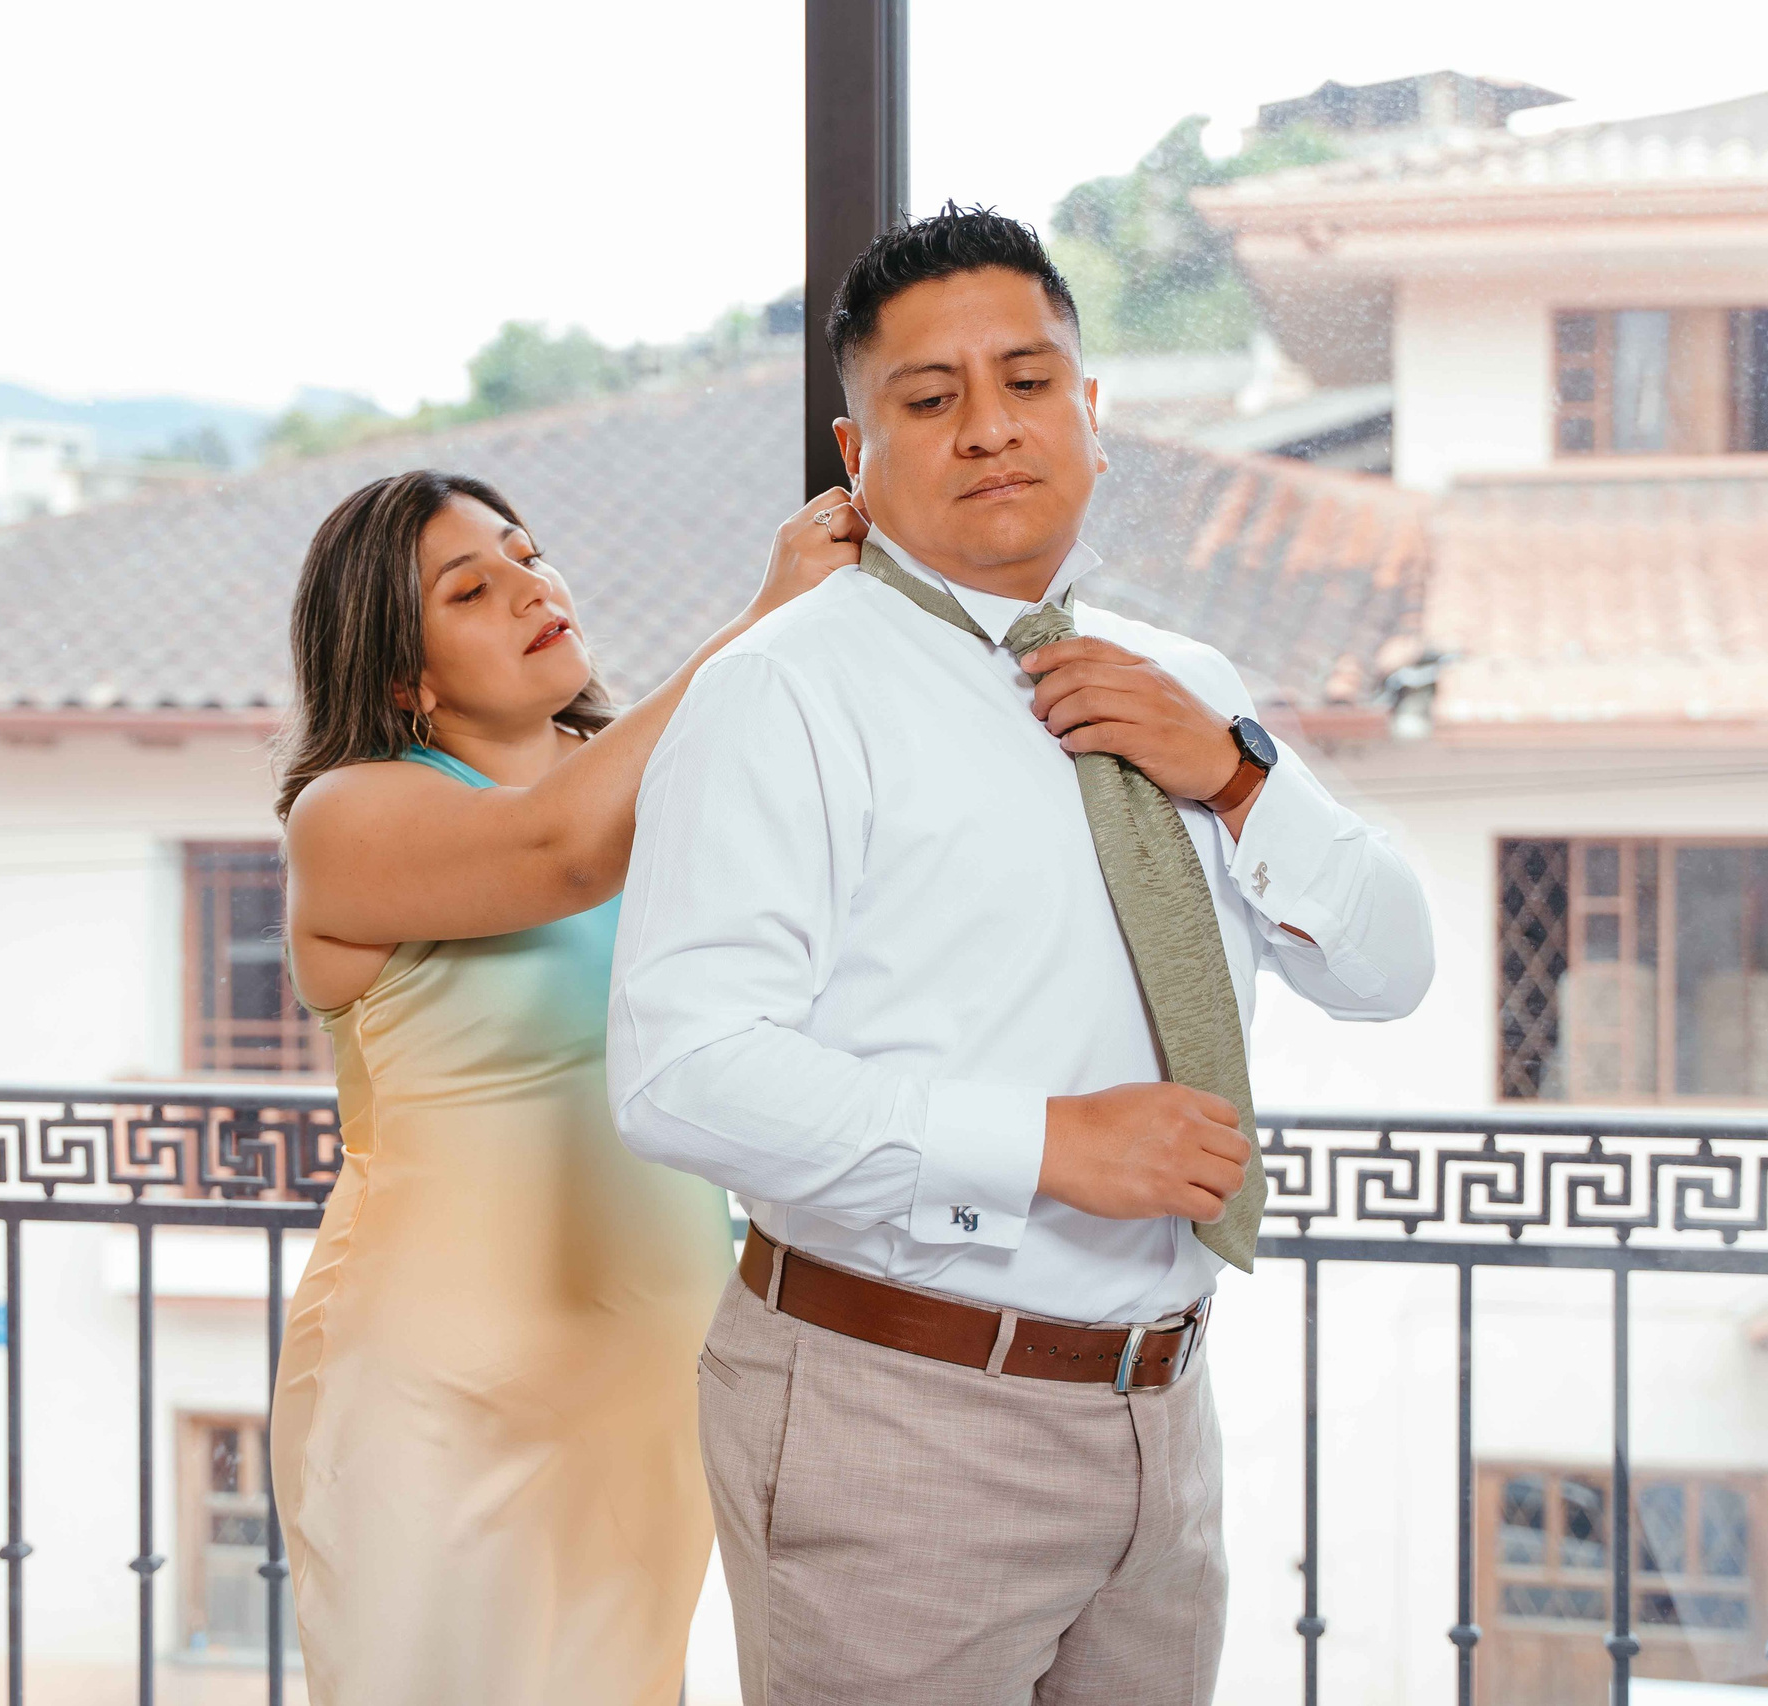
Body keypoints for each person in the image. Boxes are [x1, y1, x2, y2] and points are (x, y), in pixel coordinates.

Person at [608, 206, 1436, 1702]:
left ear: (1092, 412)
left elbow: (1389, 966)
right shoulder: (780, 693)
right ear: (857, 455)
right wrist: (1050, 1144)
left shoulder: (1183, 681)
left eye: (1030, 380)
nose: (991, 426)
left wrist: (1236, 773)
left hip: (1163, 1410)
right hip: (897, 1412)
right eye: (931, 398)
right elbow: (681, 1072)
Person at [269, 467, 863, 1706]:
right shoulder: (349, 813)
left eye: (528, 553)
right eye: (469, 587)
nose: (530, 585)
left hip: (652, 1373)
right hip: (441, 1395)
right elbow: (557, 848)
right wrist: (765, 616)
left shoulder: (635, 772)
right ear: (402, 674)